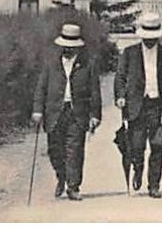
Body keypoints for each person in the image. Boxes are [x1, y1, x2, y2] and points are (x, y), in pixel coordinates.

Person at [32, 21, 101, 201]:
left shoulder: (88, 64)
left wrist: (95, 115)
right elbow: (41, 88)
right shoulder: (50, 63)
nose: (69, 50)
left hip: (77, 113)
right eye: (66, 46)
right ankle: (61, 177)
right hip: (54, 112)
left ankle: (73, 187)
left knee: (75, 150)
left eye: (72, 47)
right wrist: (37, 111)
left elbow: (95, 91)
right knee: (54, 150)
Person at [114, 11, 162, 198]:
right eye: (147, 37)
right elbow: (120, 77)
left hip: (158, 106)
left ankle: (154, 185)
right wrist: (121, 96)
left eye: (153, 38)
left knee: (157, 145)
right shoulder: (130, 53)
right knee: (137, 146)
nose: (150, 41)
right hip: (136, 106)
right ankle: (137, 169)